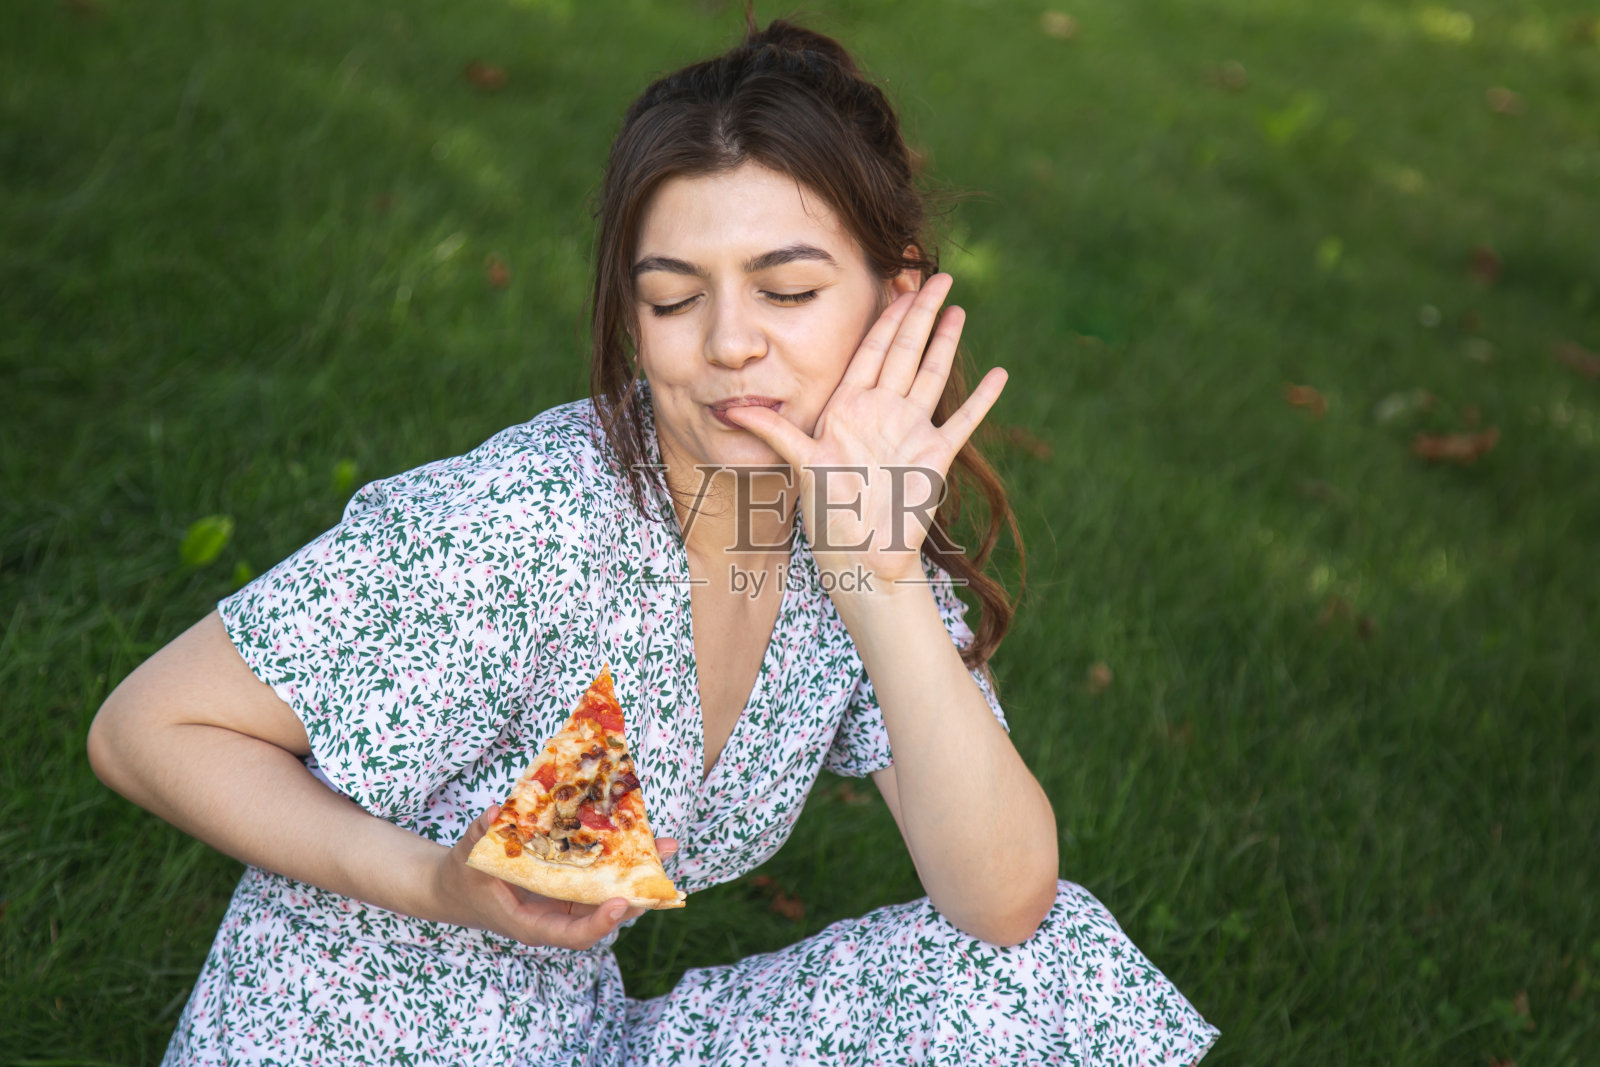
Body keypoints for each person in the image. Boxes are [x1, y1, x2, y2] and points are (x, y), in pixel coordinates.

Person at [88, 17, 1219, 1066]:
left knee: (1037, 975)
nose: (729, 345)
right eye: (674, 299)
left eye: (786, 290)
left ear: (894, 297)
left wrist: (877, 575)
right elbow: (147, 727)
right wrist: (441, 877)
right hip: (338, 1041)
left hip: (574, 1041)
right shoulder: (523, 522)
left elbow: (1005, 901)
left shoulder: (837, 515)